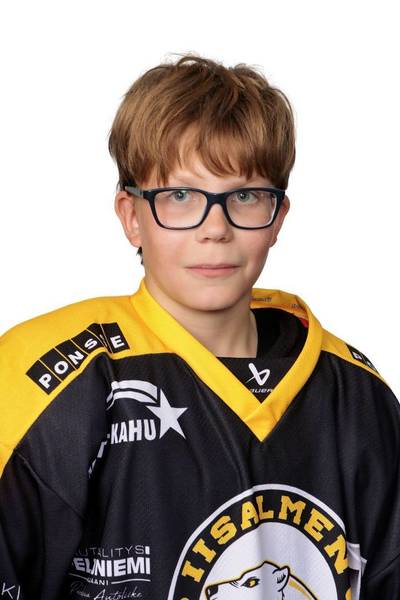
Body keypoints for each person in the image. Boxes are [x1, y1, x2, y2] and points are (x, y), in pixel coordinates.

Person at [0, 52, 399, 600]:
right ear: (131, 216)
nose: (215, 229)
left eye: (245, 196)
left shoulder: (354, 391)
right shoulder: (47, 379)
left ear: (278, 218)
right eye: (181, 196)